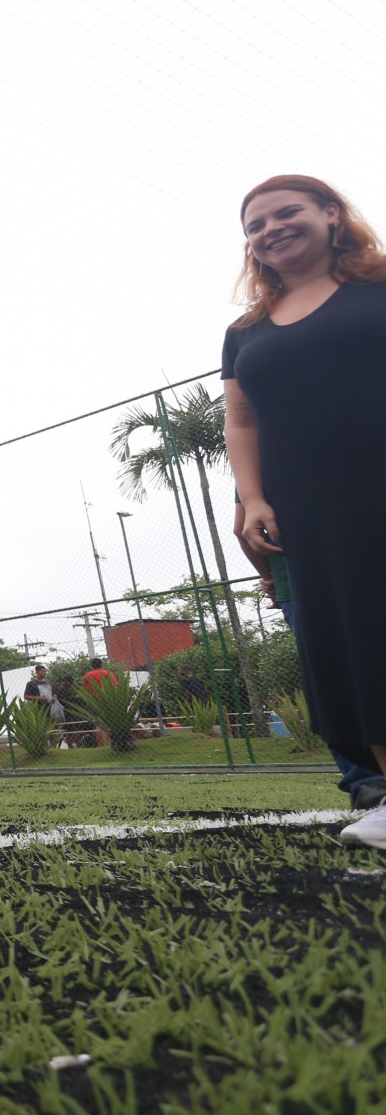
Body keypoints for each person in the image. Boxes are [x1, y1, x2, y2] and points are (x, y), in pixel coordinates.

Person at [223, 174, 386, 853]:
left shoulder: (377, 289)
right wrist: (254, 497)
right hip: (311, 509)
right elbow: (241, 420)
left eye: (284, 212)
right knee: (354, 644)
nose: (270, 229)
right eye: (255, 225)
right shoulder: (245, 331)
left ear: (330, 214)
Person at [232, 501, 385, 811]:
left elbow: (242, 529)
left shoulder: (264, 462)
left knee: (333, 674)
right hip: (361, 569)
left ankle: (367, 781)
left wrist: (270, 576)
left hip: (301, 583)